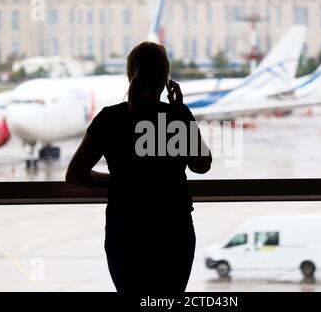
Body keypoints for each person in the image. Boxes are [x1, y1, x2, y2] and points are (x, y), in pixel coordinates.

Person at [66, 41, 212, 294]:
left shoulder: (110, 118)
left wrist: (118, 181)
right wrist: (180, 112)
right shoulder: (176, 117)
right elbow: (201, 165)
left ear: (129, 73)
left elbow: (75, 175)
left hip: (126, 230)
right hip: (173, 229)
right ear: (165, 77)